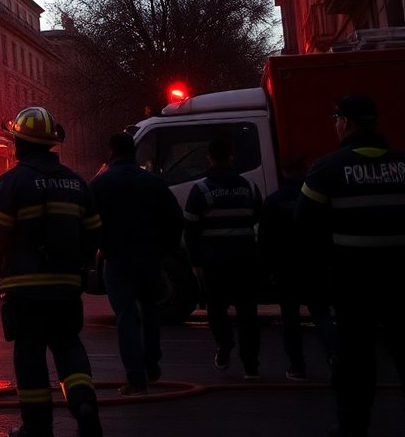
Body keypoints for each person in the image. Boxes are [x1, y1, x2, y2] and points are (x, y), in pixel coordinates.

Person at [0, 106, 103, 437]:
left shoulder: (12, 182)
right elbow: (94, 234)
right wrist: (79, 270)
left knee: (30, 356)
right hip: (65, 286)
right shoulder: (76, 183)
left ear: (19, 144)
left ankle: (37, 427)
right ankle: (84, 404)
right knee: (68, 346)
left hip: (25, 290)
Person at [297, 94, 405, 437]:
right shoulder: (403, 165)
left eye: (336, 120)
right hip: (401, 282)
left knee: (357, 359)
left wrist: (315, 285)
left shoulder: (327, 169)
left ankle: (354, 424)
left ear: (346, 123)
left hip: (353, 284)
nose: (335, 126)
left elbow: (306, 232)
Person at [89, 131, 182, 396]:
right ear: (134, 151)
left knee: (126, 316)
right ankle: (152, 363)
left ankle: (135, 378)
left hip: (116, 260)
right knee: (150, 311)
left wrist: (102, 247)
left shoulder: (100, 184)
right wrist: (166, 249)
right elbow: (175, 218)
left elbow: (88, 222)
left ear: (111, 152)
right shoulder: (154, 182)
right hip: (150, 257)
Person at [183, 137, 262, 379]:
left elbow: (191, 230)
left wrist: (195, 262)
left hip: (214, 262)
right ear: (231, 157)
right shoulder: (249, 187)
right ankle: (251, 366)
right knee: (248, 313)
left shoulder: (201, 190)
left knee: (216, 308)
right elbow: (260, 224)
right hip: (245, 260)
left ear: (209, 158)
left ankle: (224, 345)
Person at [258, 161, 337, 382]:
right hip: (313, 265)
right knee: (321, 313)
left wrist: (266, 269)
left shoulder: (273, 201)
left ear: (283, 172)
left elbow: (265, 240)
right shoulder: (317, 199)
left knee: (290, 320)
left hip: (286, 269)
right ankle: (334, 355)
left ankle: (297, 367)